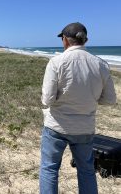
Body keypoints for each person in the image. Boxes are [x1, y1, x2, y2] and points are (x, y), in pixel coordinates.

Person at [39, 22, 117, 194]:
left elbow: (47, 99)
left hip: (56, 126)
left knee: (49, 169)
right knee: (87, 171)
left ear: (65, 40)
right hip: (85, 128)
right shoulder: (101, 64)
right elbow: (110, 100)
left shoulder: (56, 62)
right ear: (85, 40)